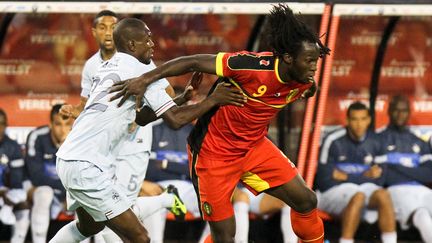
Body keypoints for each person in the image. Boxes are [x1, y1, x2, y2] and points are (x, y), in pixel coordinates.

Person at [110, 4, 329, 243]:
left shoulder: (304, 81)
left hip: (254, 148)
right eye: (309, 61)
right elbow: (193, 61)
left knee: (307, 201)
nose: (314, 68)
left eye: (316, 61)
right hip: (212, 155)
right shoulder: (248, 66)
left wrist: (309, 88)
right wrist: (145, 79)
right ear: (288, 58)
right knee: (225, 237)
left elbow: (309, 88)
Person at [50, 18, 246, 243]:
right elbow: (174, 121)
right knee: (140, 237)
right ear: (132, 45)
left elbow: (140, 117)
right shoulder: (141, 69)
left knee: (88, 227)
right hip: (87, 166)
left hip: (69, 159)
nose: (153, 44)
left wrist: (181, 100)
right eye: (147, 39)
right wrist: (213, 99)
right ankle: (166, 200)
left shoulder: (106, 66)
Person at [144, 113, 250, 243]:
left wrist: (166, 164)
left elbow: (202, 169)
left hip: (190, 187)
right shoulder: (152, 132)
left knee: (224, 198)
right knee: (154, 197)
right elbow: (148, 169)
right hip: (161, 186)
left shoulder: (196, 133)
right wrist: (183, 167)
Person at [315, 101, 397, 243]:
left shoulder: (377, 140)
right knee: (358, 197)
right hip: (333, 192)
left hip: (363, 189)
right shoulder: (333, 140)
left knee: (383, 195)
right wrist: (365, 176)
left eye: (363, 119)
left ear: (369, 120)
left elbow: (381, 180)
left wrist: (345, 176)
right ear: (347, 120)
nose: (359, 124)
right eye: (354, 119)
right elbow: (324, 180)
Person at [375, 95, 432, 243]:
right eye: (396, 110)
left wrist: (395, 166)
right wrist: (415, 173)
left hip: (422, 190)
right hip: (394, 191)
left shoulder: (419, 142)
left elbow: (429, 175)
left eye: (404, 110)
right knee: (422, 217)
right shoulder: (377, 139)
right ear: (389, 111)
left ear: (409, 112)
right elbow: (384, 176)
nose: (400, 114)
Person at [24, 104, 74, 243]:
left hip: (65, 190)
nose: (63, 129)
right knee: (45, 193)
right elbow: (36, 176)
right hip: (36, 187)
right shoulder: (37, 136)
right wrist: (65, 191)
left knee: (85, 197)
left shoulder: (77, 140)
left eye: (67, 124)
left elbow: (81, 176)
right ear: (50, 124)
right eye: (58, 124)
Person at [0, 108, 29, 243]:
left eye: (2, 124)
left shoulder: (13, 146)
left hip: (8, 191)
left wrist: (6, 194)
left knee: (23, 203)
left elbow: (17, 180)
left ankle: (17, 240)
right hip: (2, 194)